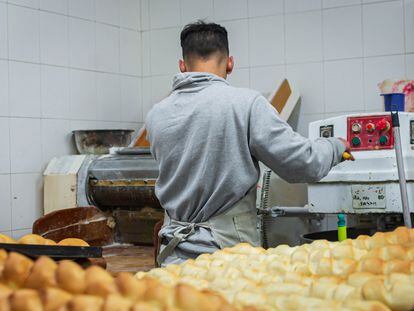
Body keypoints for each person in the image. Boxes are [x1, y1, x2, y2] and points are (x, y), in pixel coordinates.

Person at [145, 21, 353, 267]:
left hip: (173, 257)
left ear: (182, 66)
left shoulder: (157, 114)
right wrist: (336, 146)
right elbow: (302, 163)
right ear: (230, 63)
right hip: (228, 258)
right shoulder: (246, 104)